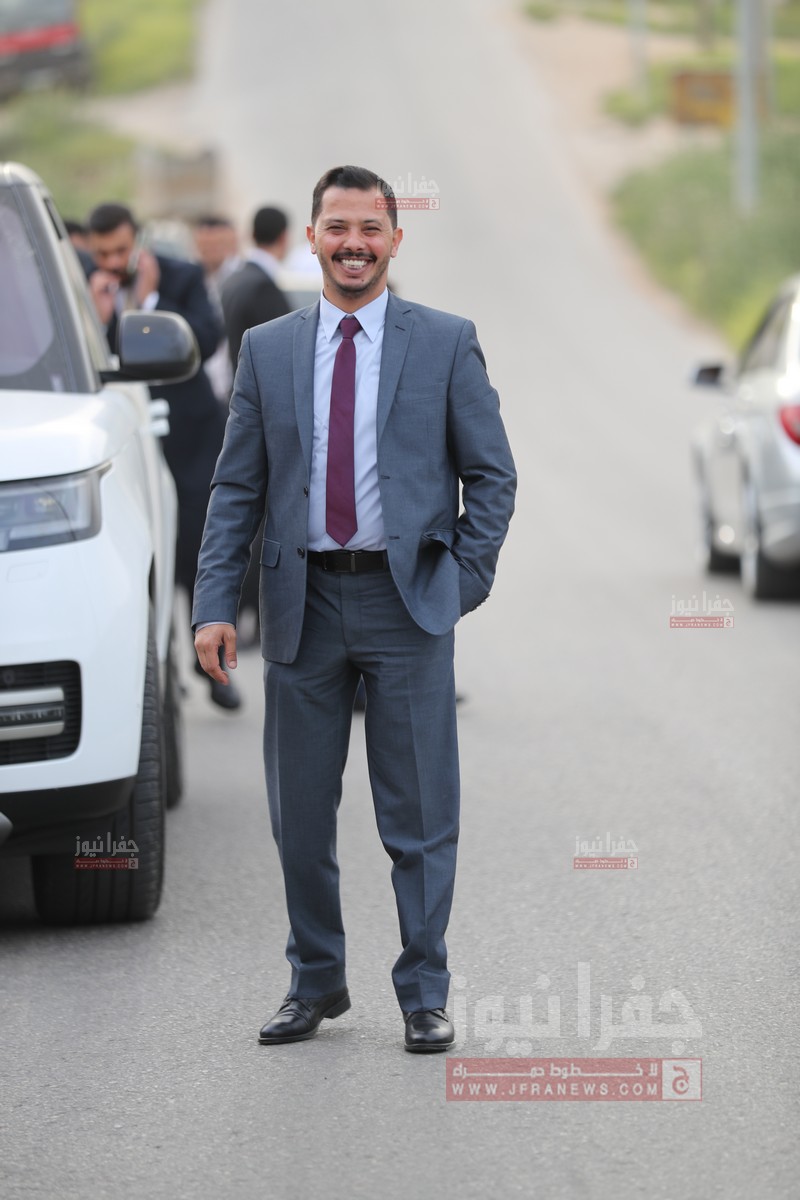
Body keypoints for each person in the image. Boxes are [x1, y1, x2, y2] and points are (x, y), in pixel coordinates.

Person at [193, 165, 516, 1052]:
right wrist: (214, 604)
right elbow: (235, 489)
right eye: (337, 228)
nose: (354, 244)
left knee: (419, 818)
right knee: (299, 817)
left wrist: (459, 583)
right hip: (300, 608)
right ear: (312, 239)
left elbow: (491, 475)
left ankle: (424, 991)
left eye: (371, 229)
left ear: (394, 240)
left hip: (406, 605)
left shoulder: (445, 342)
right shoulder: (270, 349)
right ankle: (315, 981)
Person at [85, 201, 242, 711]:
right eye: (103, 253)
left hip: (188, 437)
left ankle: (212, 664)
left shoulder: (181, 276)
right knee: (143, 558)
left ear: (139, 242)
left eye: (121, 251)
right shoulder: (86, 286)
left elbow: (208, 338)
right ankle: (160, 667)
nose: (114, 262)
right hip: (124, 442)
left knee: (198, 550)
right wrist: (98, 319)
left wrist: (149, 301)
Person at [221, 205, 291, 376]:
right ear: (284, 237)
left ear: (252, 234)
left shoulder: (235, 278)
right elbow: (278, 349)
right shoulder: (263, 287)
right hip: (256, 385)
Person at [192, 215, 242, 407]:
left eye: (216, 245)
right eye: (205, 246)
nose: (210, 251)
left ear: (232, 242)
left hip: (234, 378)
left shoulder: (243, 279)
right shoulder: (192, 279)